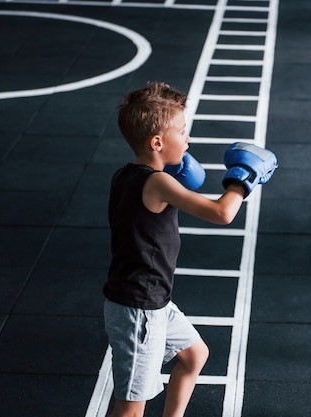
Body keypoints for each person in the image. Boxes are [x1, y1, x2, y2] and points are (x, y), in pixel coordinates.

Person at [104, 81, 277, 417]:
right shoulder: (158, 183)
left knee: (194, 355)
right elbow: (222, 212)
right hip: (139, 309)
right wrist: (242, 180)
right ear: (157, 142)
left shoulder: (126, 176)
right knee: (130, 410)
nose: (188, 140)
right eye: (182, 132)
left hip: (150, 301)